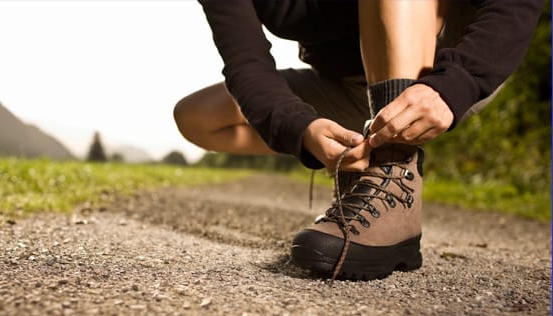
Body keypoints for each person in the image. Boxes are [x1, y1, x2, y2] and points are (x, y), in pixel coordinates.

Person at [174, 1, 543, 280]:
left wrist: (459, 81)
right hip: (351, 87)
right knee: (197, 117)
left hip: (447, 65)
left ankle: (394, 171)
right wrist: (302, 129)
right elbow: (246, 64)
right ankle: (362, 161)